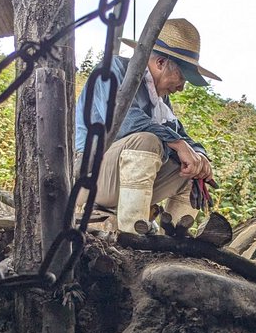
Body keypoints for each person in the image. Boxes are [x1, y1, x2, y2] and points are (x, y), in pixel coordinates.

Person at [75, 17, 220, 233]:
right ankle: (133, 233)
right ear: (160, 63)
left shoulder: (159, 99)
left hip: (123, 182)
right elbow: (122, 121)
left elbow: (182, 137)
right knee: (148, 141)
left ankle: (174, 241)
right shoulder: (112, 69)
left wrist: (199, 155)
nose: (180, 88)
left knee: (193, 167)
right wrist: (178, 144)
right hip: (88, 176)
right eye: (181, 78)